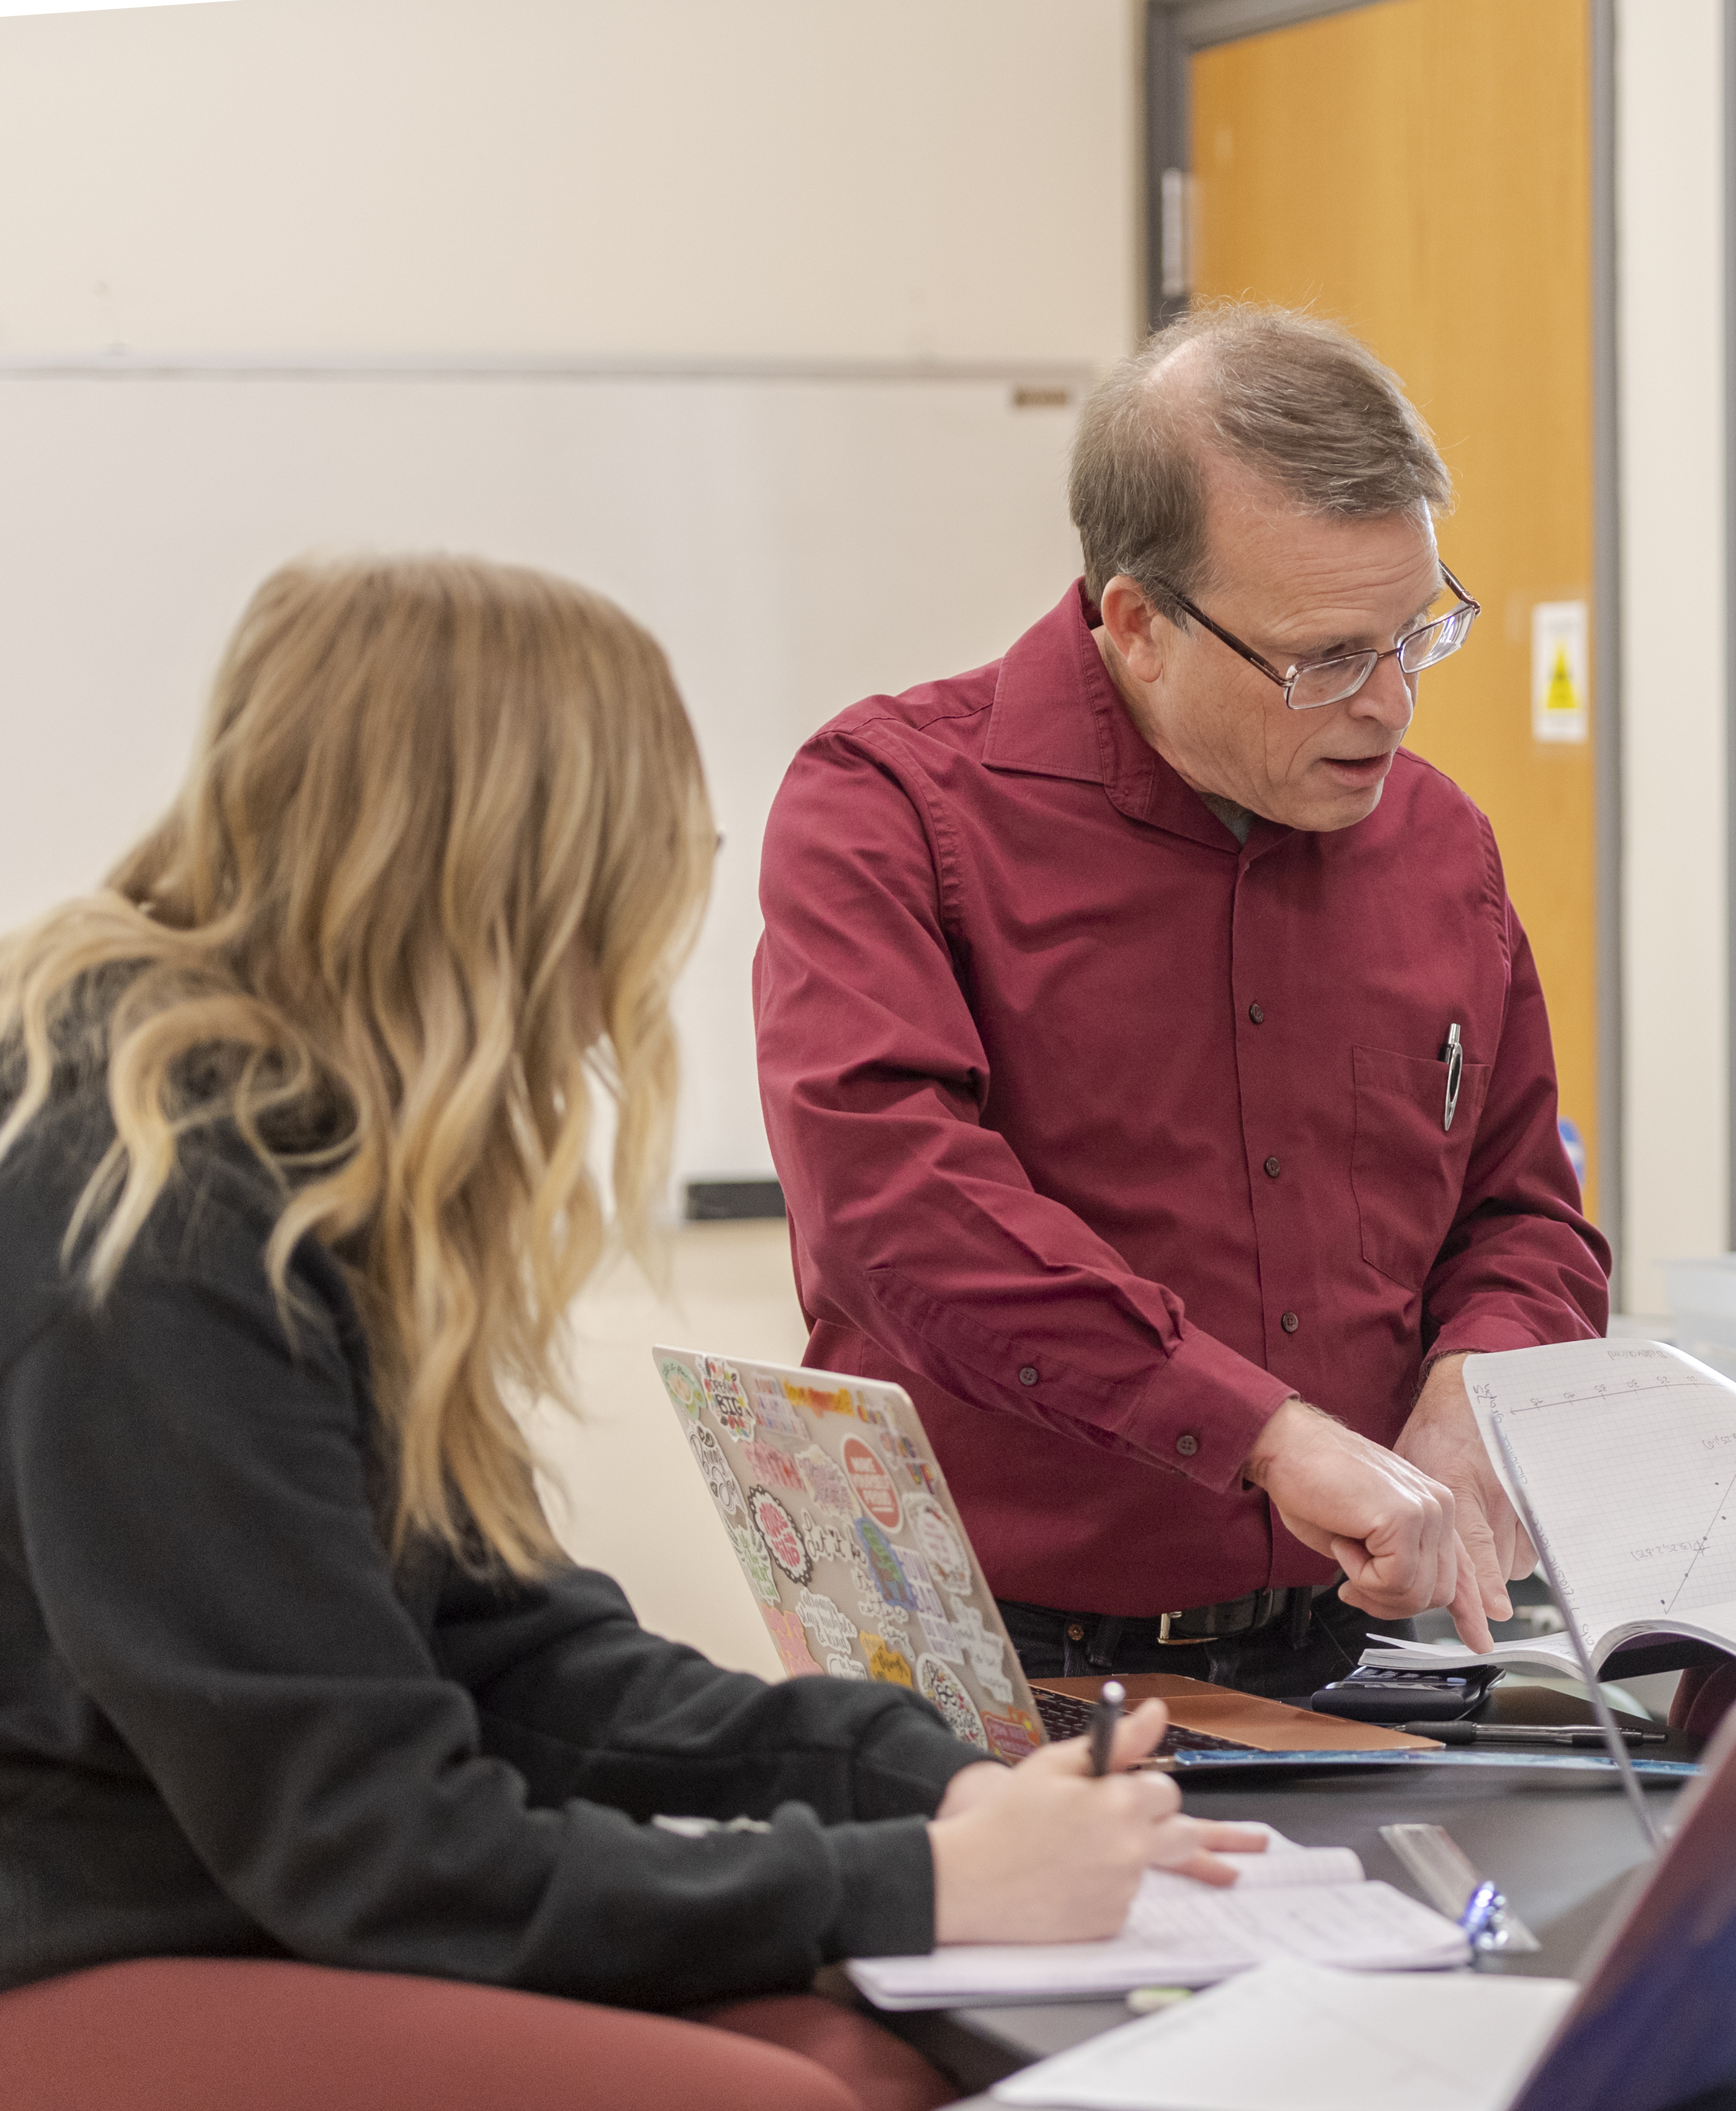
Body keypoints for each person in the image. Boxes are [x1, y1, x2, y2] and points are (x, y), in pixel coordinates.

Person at [0, 556, 1261, 2111]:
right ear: (497, 893)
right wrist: (920, 1883)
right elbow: (384, 1848)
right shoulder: (156, 1226)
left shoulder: (288, 1155)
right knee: (805, 2091)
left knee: (871, 2051)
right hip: (78, 1942)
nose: (610, 997)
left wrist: (922, 1774)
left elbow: (519, 1651)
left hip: (244, 1889)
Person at [755, 305, 1609, 1697]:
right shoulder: (891, 804)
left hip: (1359, 1656)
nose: (1390, 703)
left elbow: (1521, 1214)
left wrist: (1481, 1386)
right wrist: (1262, 1432)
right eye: (1326, 656)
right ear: (1138, 624)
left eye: (1416, 634)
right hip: (997, 1655)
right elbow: (891, 1209)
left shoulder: (1440, 843)